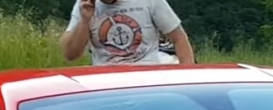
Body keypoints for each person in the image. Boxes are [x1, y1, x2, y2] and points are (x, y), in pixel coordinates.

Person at [61, 0, 195, 66]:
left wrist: (188, 79)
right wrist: (84, 20)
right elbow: (70, 54)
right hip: (106, 84)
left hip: (148, 80)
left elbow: (179, 39)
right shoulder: (84, 5)